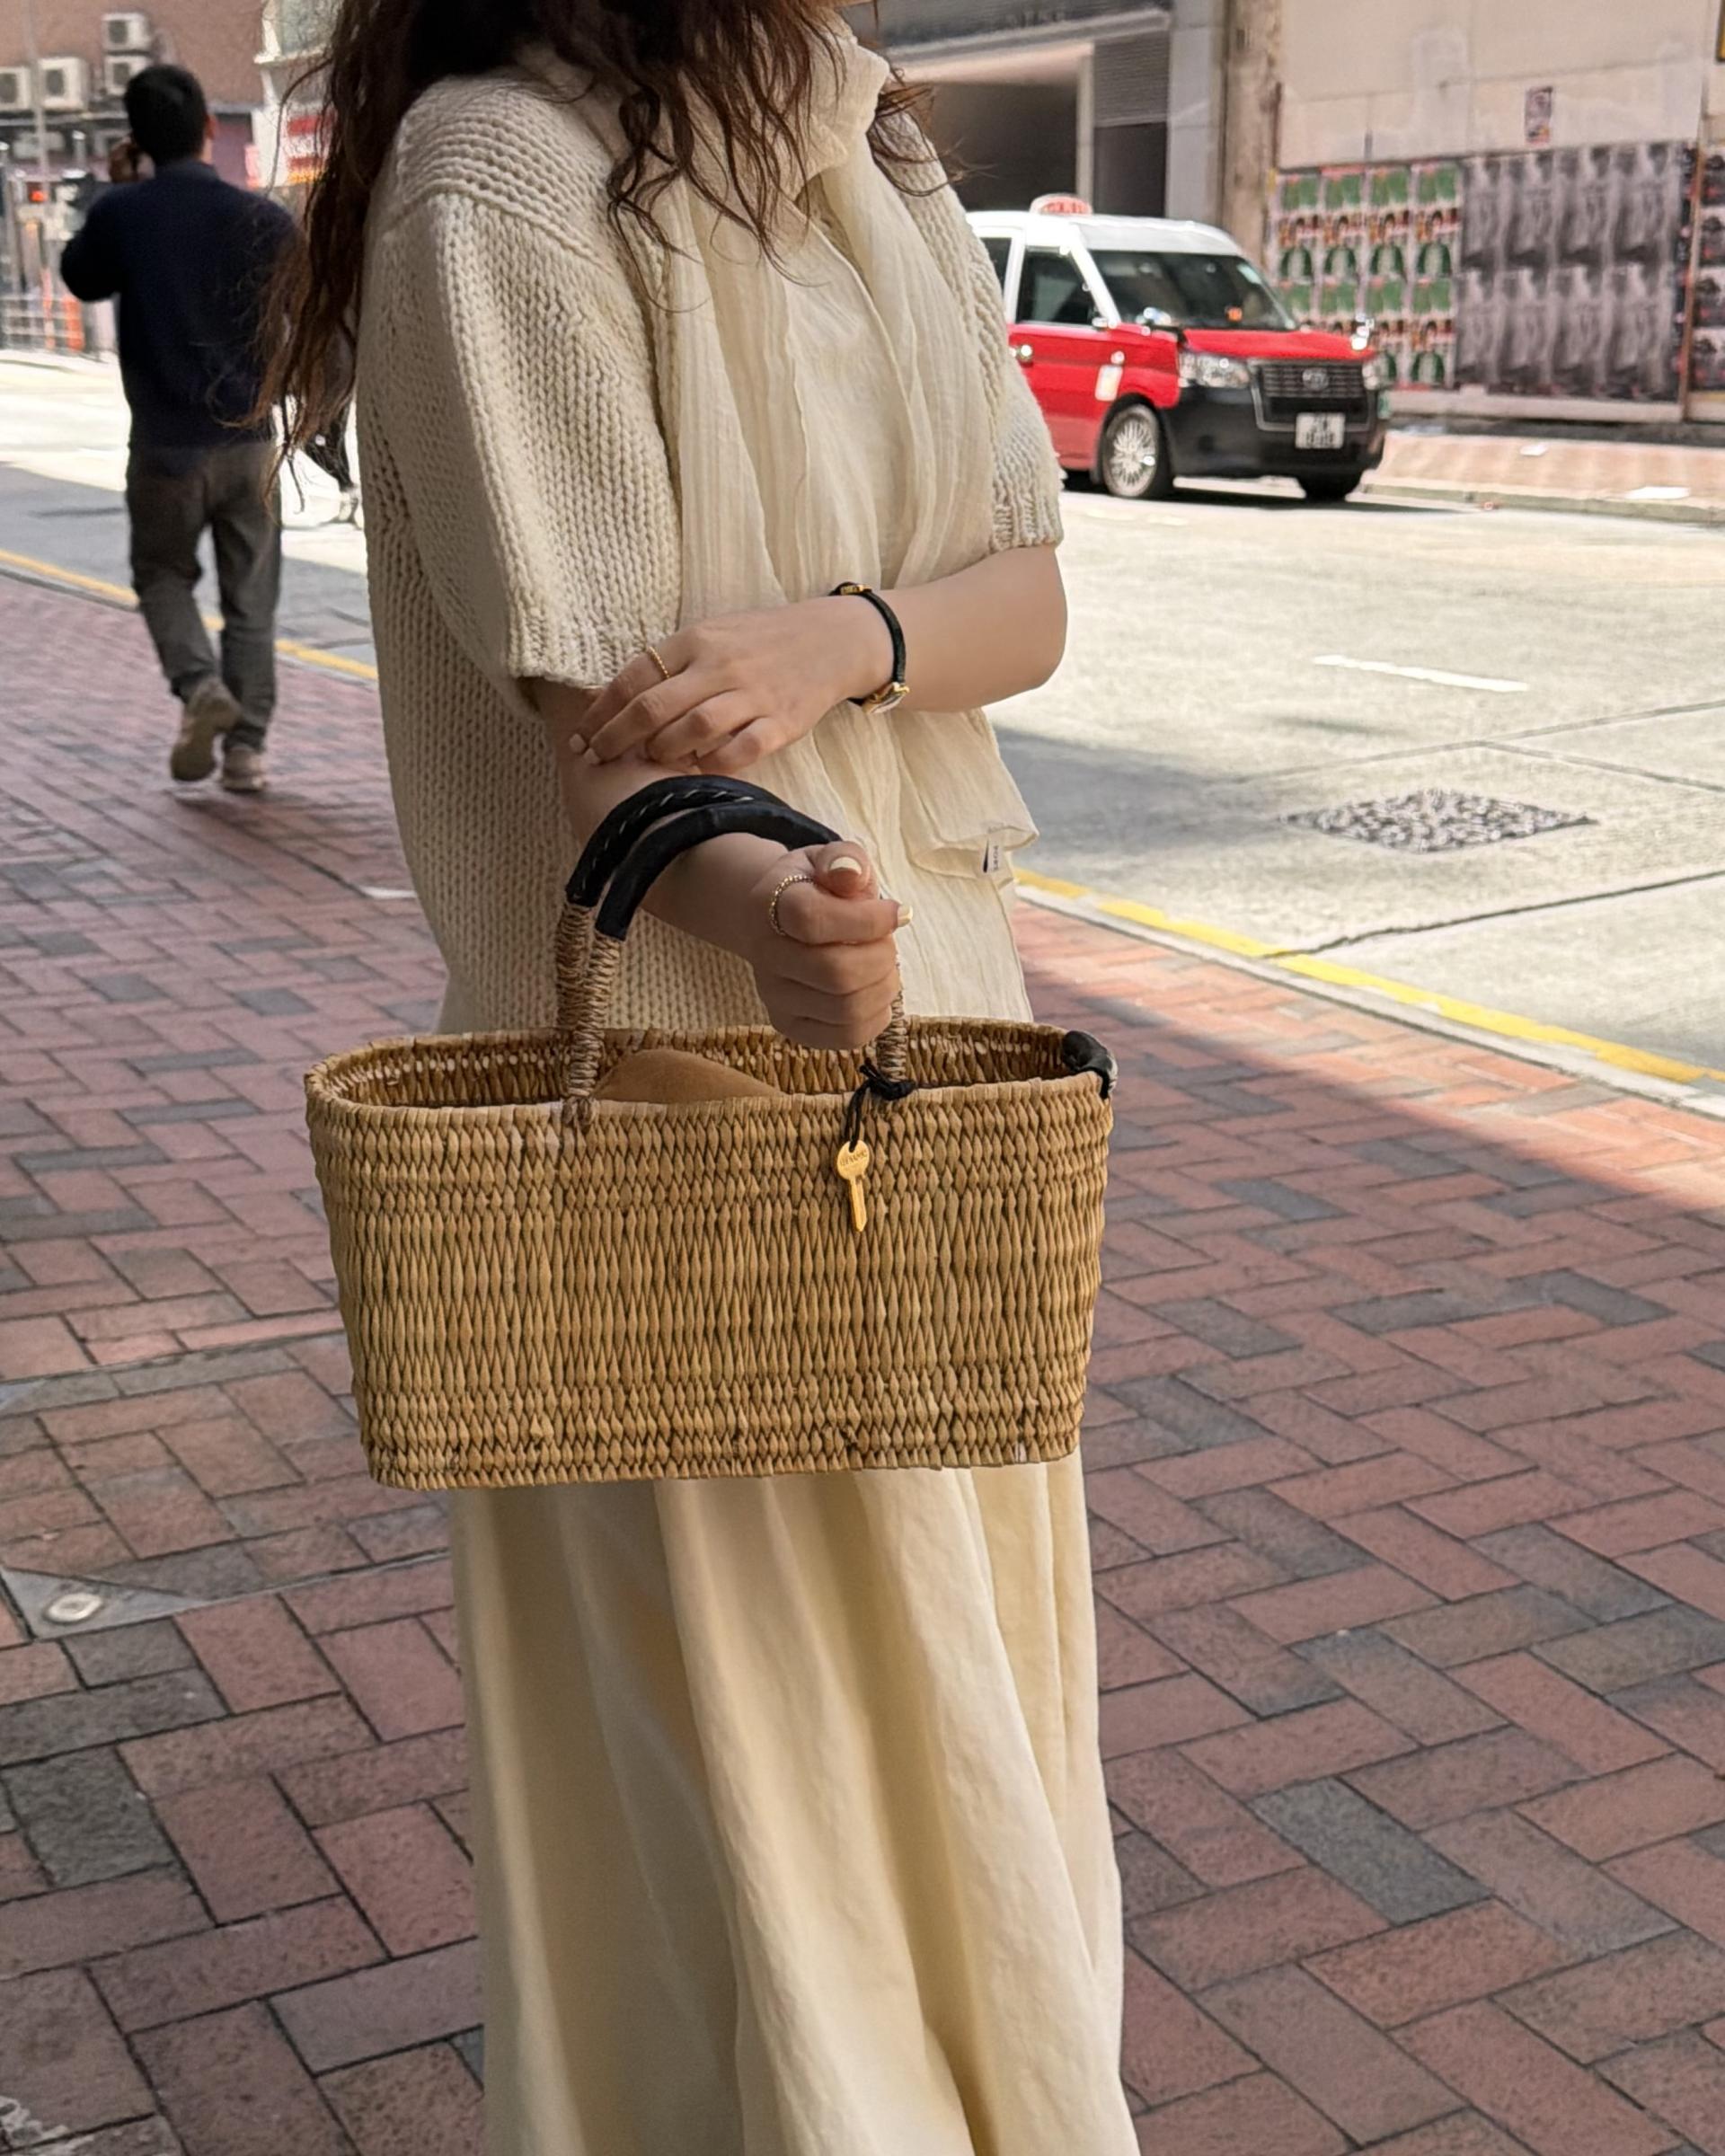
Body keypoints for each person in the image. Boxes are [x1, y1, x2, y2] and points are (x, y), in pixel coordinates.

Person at [268, 4, 1134, 2152]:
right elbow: (608, 733)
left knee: (956, 1707)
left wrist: (841, 638)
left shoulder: (871, 149)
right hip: (674, 1093)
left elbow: (1027, 594)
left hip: (931, 1051)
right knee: (759, 1768)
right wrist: (788, 921)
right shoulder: (499, 173)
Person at [61, 65, 294, 793]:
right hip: (250, 441)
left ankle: (200, 687)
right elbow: (304, 307)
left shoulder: (124, 214)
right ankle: (247, 753)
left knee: (162, 576)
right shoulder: (262, 219)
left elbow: (81, 277)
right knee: (250, 599)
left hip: (165, 446)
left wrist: (116, 188)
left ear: (136, 138)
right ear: (209, 129)